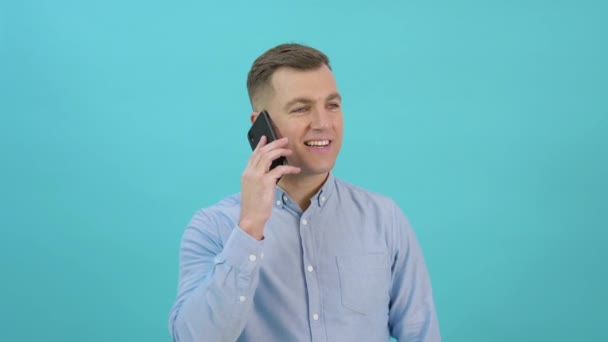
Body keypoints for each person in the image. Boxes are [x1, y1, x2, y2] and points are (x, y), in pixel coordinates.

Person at [167, 43, 441, 342]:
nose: (323, 123)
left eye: (332, 105)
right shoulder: (213, 228)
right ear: (261, 125)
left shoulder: (385, 219)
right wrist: (249, 230)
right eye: (301, 108)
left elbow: (421, 334)